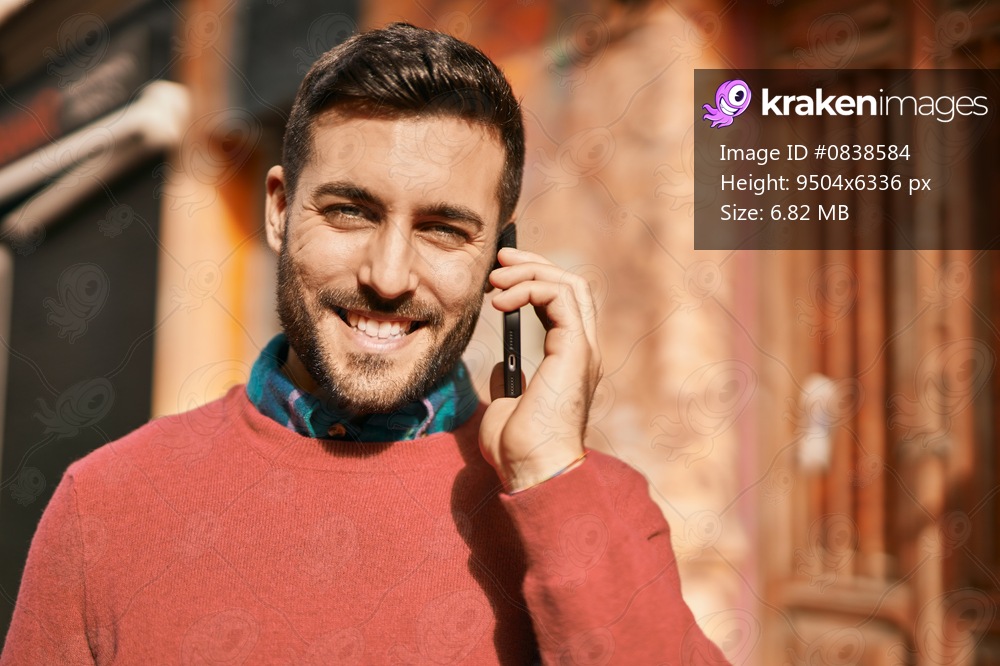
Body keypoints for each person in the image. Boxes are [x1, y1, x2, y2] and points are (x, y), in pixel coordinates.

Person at [1, 23, 729, 665]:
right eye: (350, 211)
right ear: (282, 211)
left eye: (444, 228)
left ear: (502, 260)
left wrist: (547, 477)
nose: (387, 276)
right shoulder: (105, 506)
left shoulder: (591, 505)